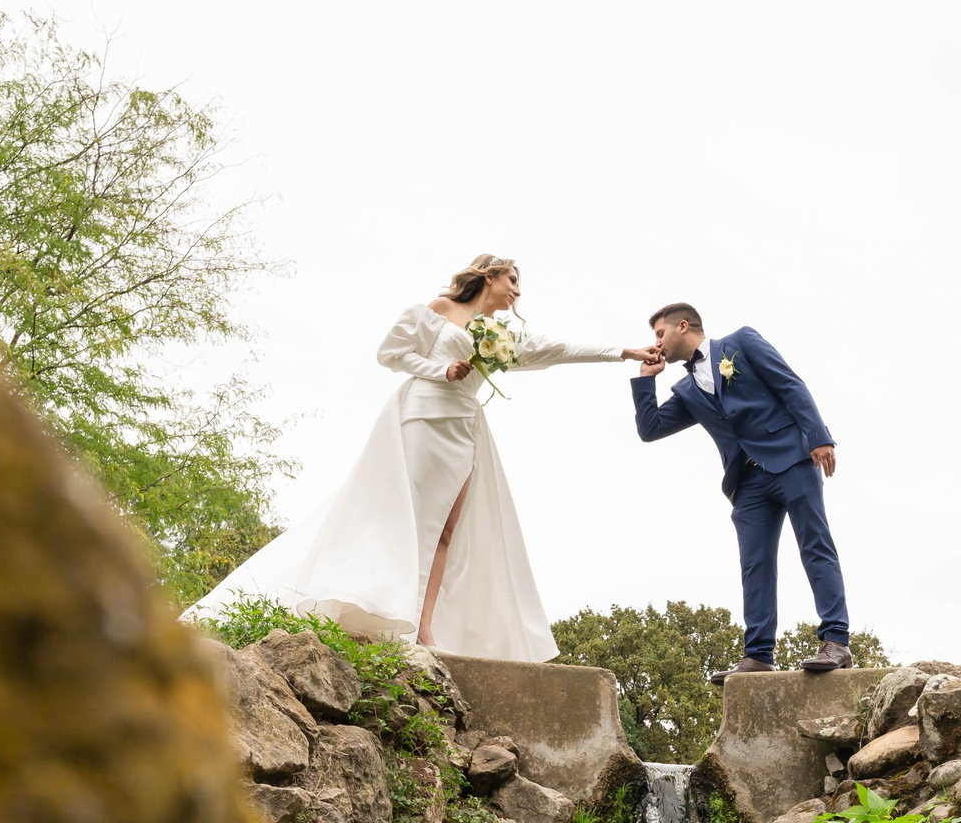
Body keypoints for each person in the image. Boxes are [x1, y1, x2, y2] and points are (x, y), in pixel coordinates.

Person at [194, 255, 651, 659]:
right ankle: (376, 606)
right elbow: (389, 354)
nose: (517, 291)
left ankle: (423, 626)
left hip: (466, 427)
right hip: (425, 416)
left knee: (447, 531)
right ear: (489, 276)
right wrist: (442, 368)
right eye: (512, 280)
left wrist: (624, 353)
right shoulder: (436, 311)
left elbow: (557, 350)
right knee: (405, 517)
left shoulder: (502, 336)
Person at [631, 303, 851, 680]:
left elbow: (790, 385)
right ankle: (759, 655)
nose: (656, 343)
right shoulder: (685, 390)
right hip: (746, 483)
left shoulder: (741, 342)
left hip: (791, 461)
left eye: (659, 334)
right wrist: (645, 378)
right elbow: (650, 428)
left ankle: (836, 640)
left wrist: (819, 437)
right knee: (755, 566)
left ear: (682, 326)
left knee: (815, 545)